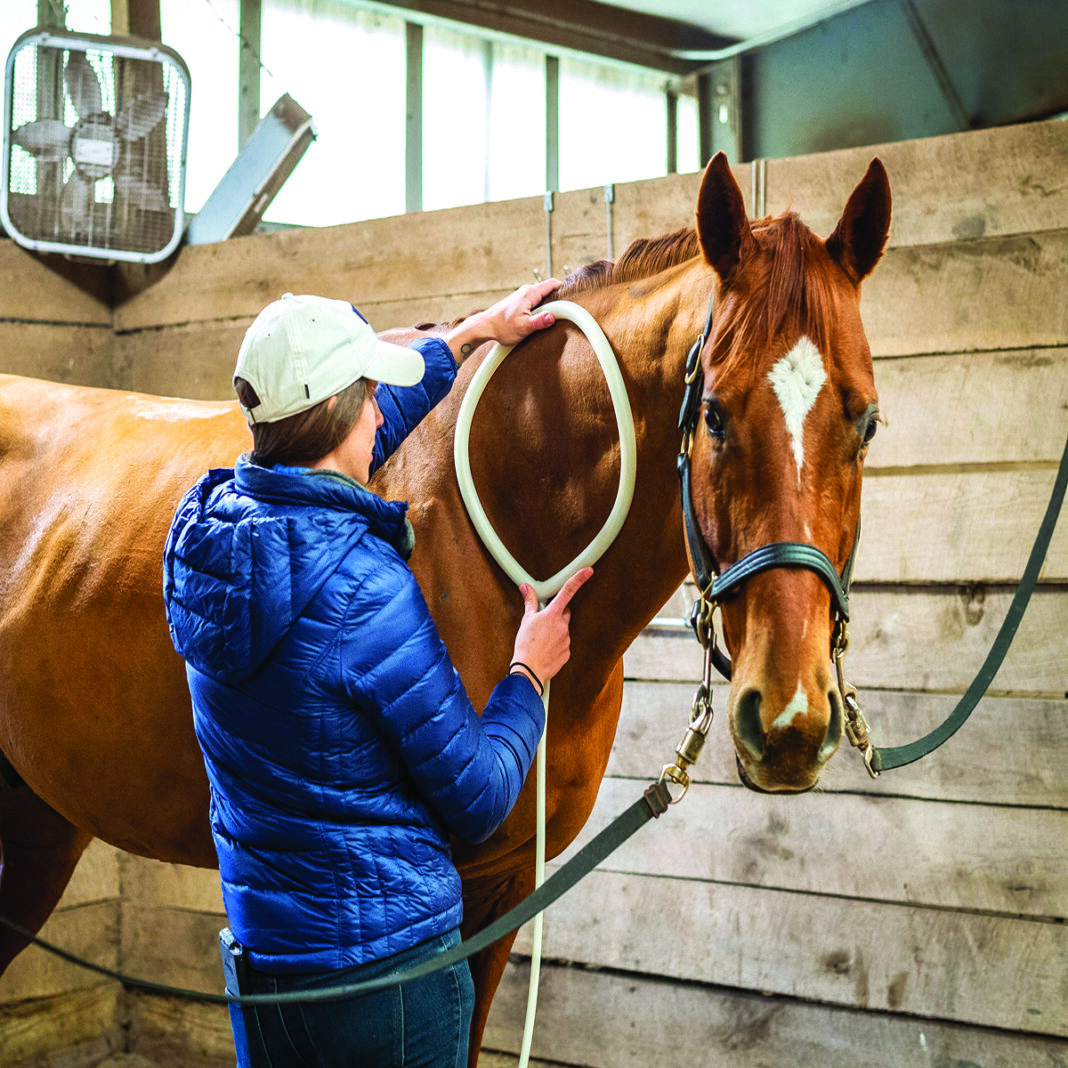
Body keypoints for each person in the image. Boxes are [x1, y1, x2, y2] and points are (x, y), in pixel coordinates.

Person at [161, 280, 592, 1068]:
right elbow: (478, 797)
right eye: (367, 398)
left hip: (268, 978)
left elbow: (326, 448)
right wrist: (528, 675)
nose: (377, 416)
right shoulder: (364, 587)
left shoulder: (206, 542)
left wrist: (470, 337)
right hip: (386, 983)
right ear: (339, 414)